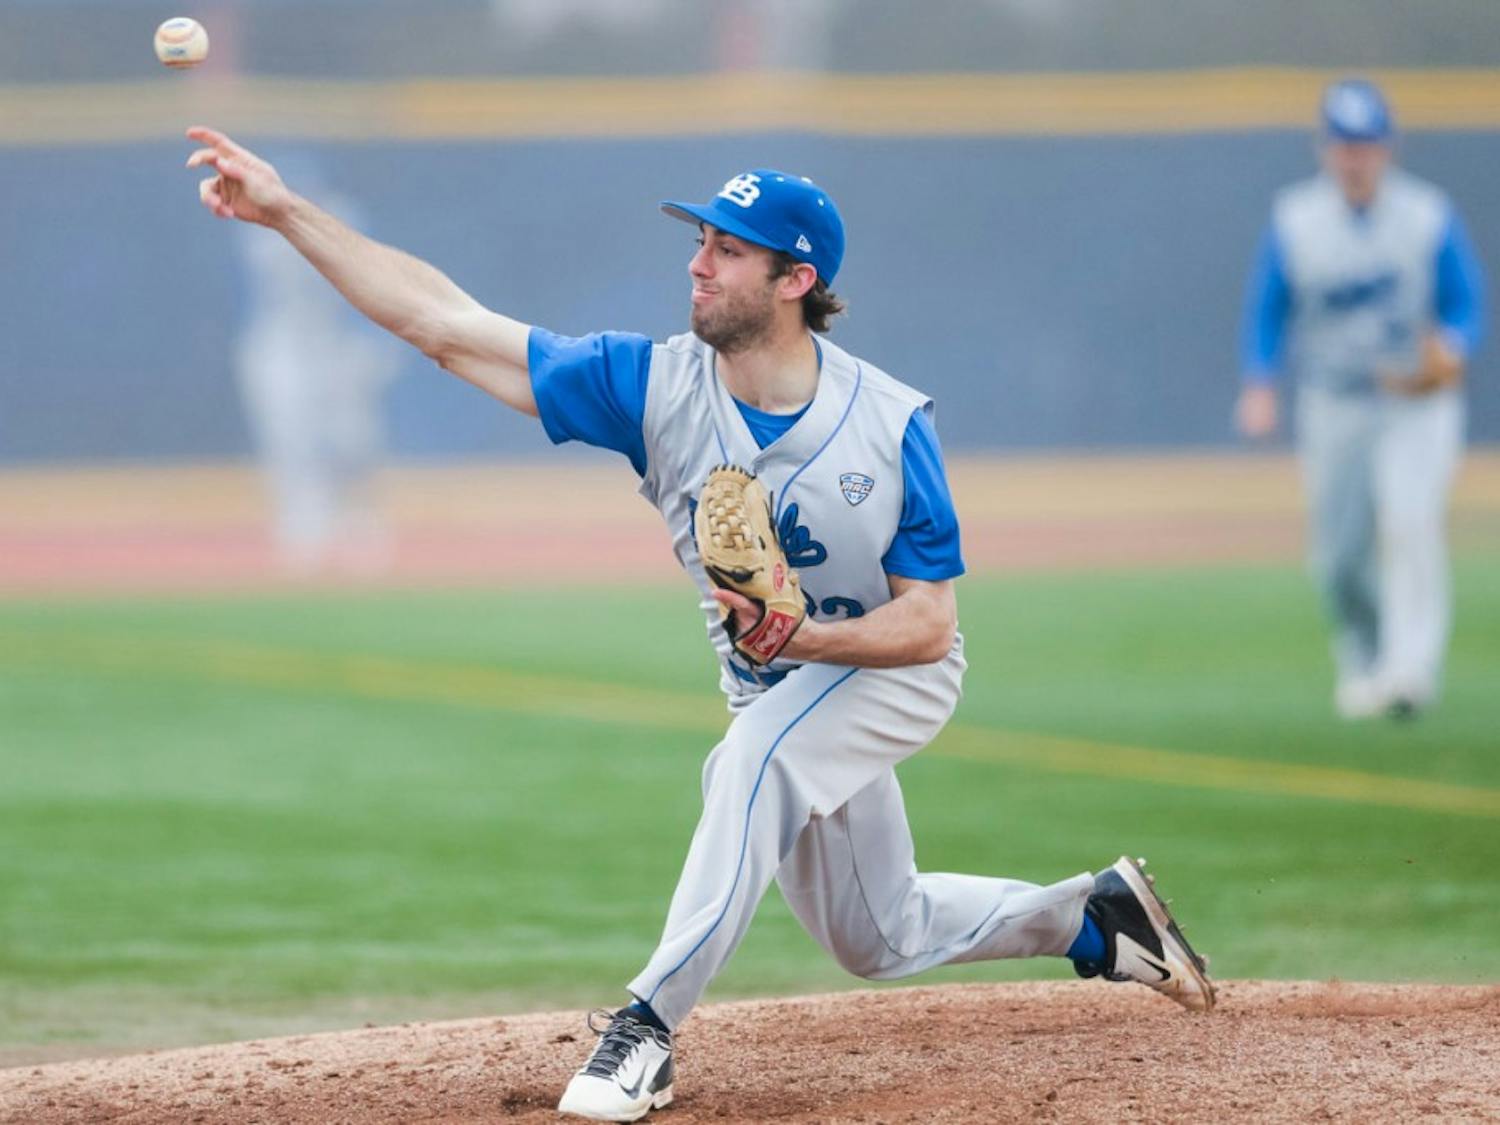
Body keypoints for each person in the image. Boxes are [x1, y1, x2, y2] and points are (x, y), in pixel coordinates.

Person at [184, 128, 1215, 1123]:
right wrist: (284, 214)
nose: (699, 264)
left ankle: (645, 1028)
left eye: (728, 249)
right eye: (700, 242)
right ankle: (1092, 920)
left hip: (887, 671)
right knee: (879, 935)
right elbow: (446, 327)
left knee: (749, 764)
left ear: (795, 280)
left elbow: (931, 629)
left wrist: (805, 638)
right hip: (779, 686)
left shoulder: (889, 423)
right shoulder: (657, 387)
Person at [1235, 79, 1486, 721]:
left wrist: (1453, 345)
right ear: (1325, 149)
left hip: (1415, 401)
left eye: (1367, 145)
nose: (1356, 158)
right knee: (1341, 553)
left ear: (1388, 147)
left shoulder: (1427, 213)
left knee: (1409, 524)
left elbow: (1465, 300)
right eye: (1345, 146)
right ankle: (1365, 658)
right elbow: (1268, 309)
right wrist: (1260, 380)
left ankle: (1410, 671)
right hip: (1335, 400)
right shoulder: (1296, 218)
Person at [233, 155, 402, 576]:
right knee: (291, 440)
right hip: (284, 343)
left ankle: (360, 527)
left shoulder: (345, 219)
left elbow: (375, 284)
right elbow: (246, 298)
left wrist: (374, 342)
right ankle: (304, 529)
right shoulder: (256, 229)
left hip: (335, 342)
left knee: (353, 439)